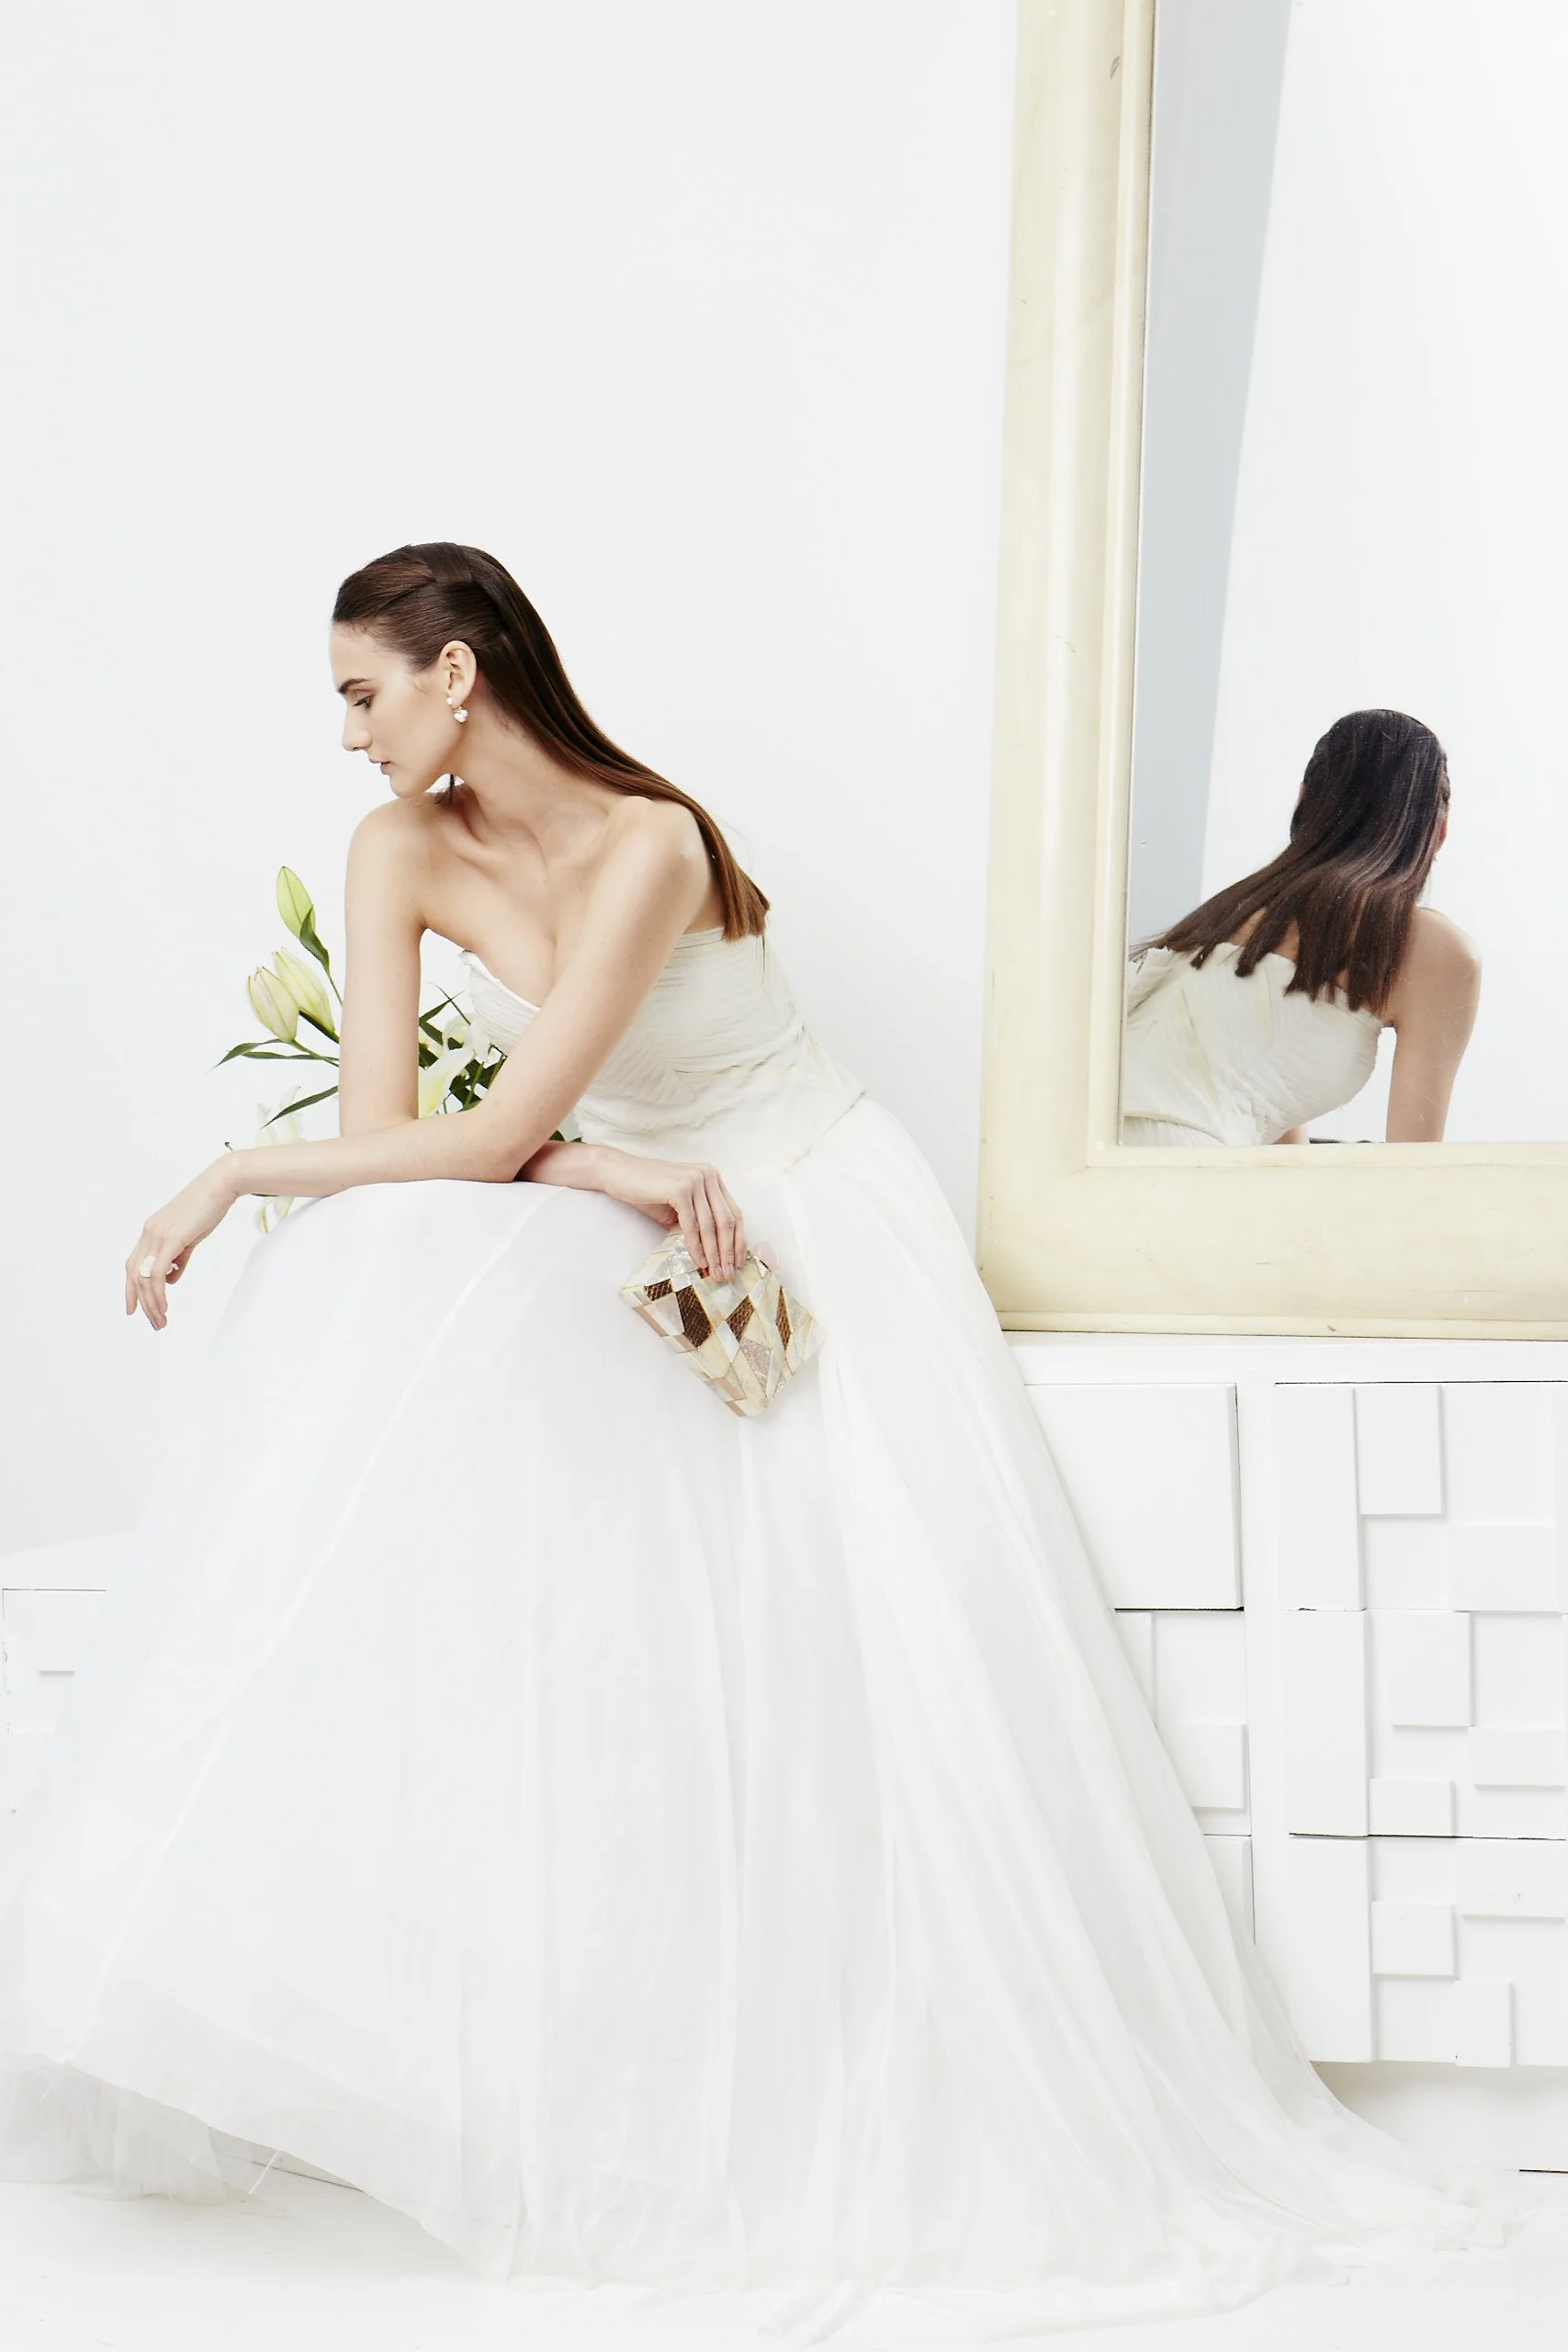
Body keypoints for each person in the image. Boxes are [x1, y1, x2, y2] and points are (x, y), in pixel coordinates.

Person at [0, 553, 1532, 2340]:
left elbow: (492, 1122)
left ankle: (823, 2077)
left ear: (460, 673)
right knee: (378, 1263)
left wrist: (231, 1173)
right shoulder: (393, 849)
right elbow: (408, 1141)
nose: (346, 730)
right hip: (641, 1201)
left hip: (797, 1206)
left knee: (839, 1660)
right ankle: (385, 1959)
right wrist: (606, 1173)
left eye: (363, 691)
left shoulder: (651, 837)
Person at [1122, 710, 1482, 1145]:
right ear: (1439, 831)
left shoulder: (1228, 917)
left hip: (1068, 1161)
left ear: (1303, 798)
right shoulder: (1432, 947)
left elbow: (1268, 1107)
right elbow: (1412, 1160)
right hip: (1172, 1181)